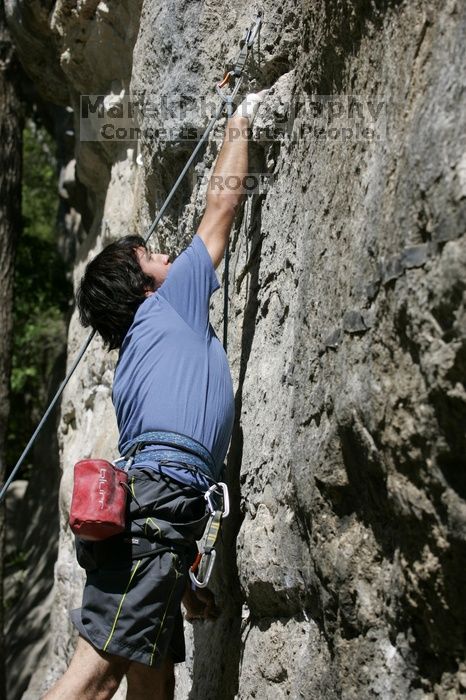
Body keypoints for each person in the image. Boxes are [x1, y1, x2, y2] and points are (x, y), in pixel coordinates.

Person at [44, 90, 266, 700]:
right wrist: (240, 118)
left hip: (157, 511)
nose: (169, 254)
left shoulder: (133, 363)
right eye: (152, 255)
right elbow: (222, 204)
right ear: (142, 286)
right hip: (162, 504)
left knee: (153, 677)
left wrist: (179, 575)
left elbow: (154, 475)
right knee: (96, 674)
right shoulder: (172, 300)